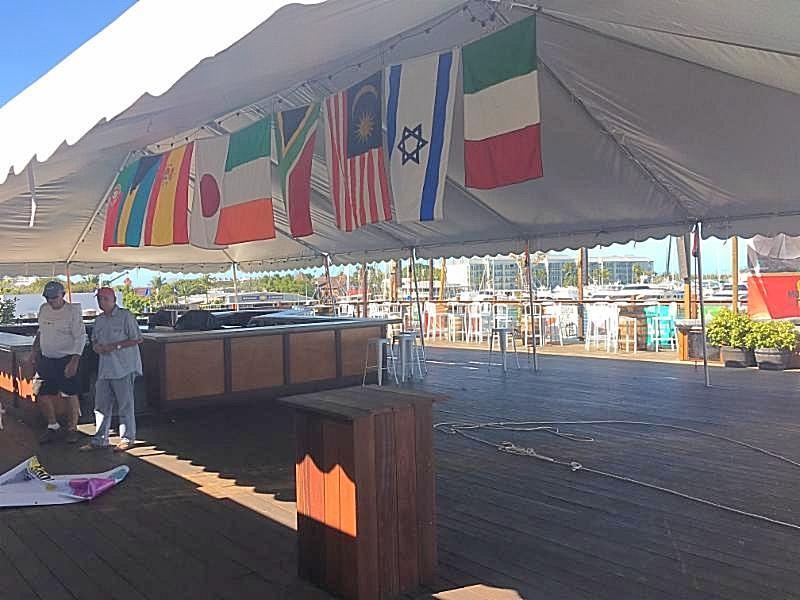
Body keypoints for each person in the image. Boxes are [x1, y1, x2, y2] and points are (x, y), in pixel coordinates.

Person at [80, 287, 142, 452]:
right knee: (100, 406)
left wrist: (116, 346)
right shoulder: (98, 320)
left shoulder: (125, 316)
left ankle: (128, 438)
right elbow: (93, 341)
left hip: (124, 367)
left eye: (105, 299)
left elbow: (137, 339)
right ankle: (100, 439)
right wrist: (96, 348)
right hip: (105, 369)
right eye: (99, 299)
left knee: (125, 405)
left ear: (114, 299)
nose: (102, 302)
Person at [24, 280, 86, 444]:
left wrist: (74, 361)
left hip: (66, 358)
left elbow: (80, 337)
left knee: (70, 394)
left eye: (54, 297)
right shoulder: (44, 309)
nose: (51, 301)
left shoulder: (72, 311)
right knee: (41, 392)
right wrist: (33, 352)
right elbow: (40, 332)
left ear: (63, 295)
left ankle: (72, 429)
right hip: (46, 359)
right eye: (48, 298)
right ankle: (52, 425)